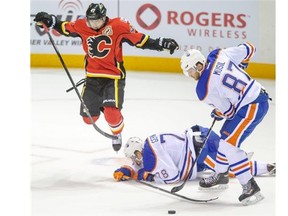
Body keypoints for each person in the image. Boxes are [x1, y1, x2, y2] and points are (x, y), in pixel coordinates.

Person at [33, 3, 179, 152]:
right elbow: (64, 27)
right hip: (92, 78)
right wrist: (49, 20)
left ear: (104, 18)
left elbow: (141, 40)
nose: (94, 24)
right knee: (89, 119)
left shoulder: (119, 25)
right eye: (91, 21)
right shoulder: (82, 25)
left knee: (112, 113)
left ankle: (117, 132)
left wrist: (161, 43)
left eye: (97, 21)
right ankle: (105, 105)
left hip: (113, 77)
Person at [180, 43, 271, 205]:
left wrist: (217, 112)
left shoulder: (203, 88)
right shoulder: (218, 55)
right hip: (257, 97)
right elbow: (250, 48)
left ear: (199, 65)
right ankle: (221, 174)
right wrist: (241, 68)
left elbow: (228, 112)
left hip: (251, 106)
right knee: (224, 139)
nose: (191, 75)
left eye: (191, 71)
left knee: (229, 145)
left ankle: (250, 186)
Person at [113, 125, 275, 185]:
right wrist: (128, 169)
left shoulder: (149, 156)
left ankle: (264, 167)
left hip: (199, 151)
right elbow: (141, 165)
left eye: (134, 157)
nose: (135, 161)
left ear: (137, 152)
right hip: (201, 135)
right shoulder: (149, 144)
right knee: (232, 162)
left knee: (231, 169)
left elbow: (173, 177)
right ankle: (265, 166)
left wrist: (149, 176)